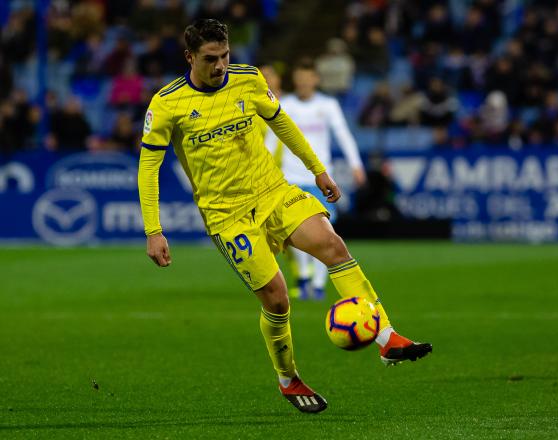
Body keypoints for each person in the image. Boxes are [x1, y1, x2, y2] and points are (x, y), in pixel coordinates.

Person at [137, 19, 432, 414]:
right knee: (276, 297)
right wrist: (154, 230)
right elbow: (147, 168)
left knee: (332, 244)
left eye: (225, 55)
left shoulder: (249, 80)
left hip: (273, 191)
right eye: (211, 59)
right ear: (190, 57)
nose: (221, 65)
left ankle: (386, 338)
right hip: (228, 215)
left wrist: (317, 169)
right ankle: (288, 378)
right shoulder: (167, 104)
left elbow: (282, 123)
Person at [277, 58, 366, 300]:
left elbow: (343, 135)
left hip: (319, 178)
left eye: (308, 78)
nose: (304, 82)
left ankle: (317, 284)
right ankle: (303, 277)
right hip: (290, 177)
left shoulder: (328, 105)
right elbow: (269, 141)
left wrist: (356, 164)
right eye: (300, 78)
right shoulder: (283, 104)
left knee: (324, 232)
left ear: (316, 79)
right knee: (295, 231)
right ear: (295, 80)